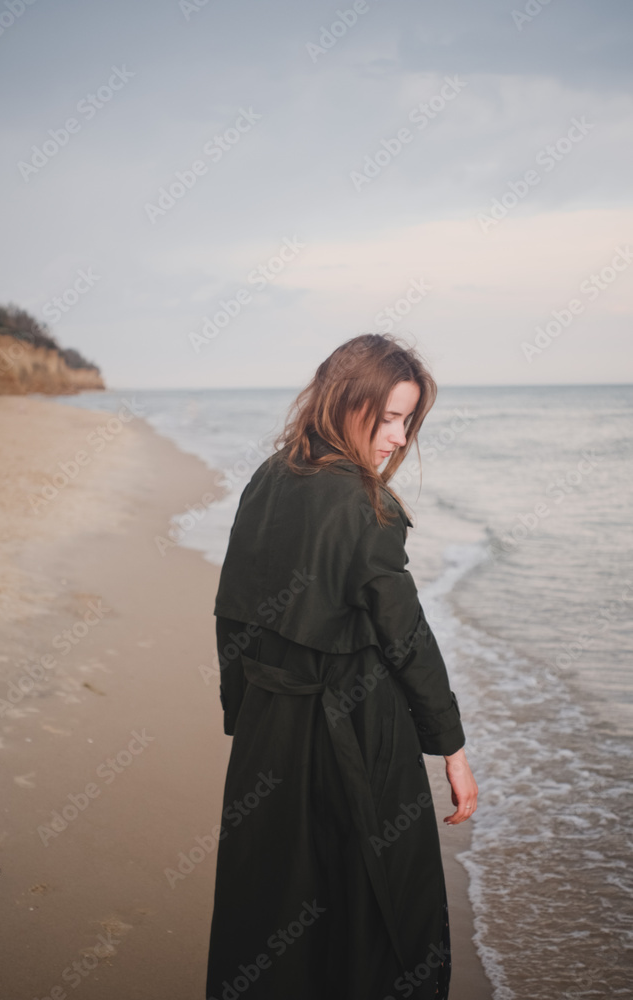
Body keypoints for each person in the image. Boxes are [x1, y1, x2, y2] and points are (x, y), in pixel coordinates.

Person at [205, 333, 478, 1000]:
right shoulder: (365, 505)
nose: (397, 437)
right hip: (356, 728)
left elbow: (232, 610)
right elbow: (404, 635)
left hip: (269, 728)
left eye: (407, 419)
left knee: (272, 903)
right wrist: (450, 746)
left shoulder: (267, 477)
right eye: (385, 417)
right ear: (343, 400)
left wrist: (242, 712)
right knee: (382, 906)